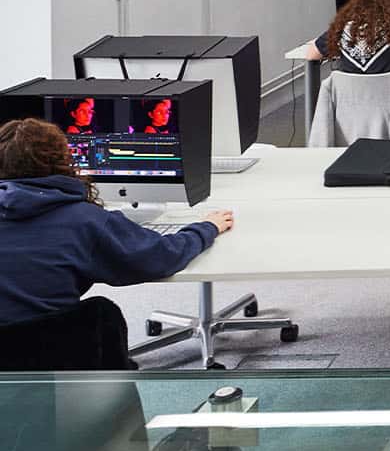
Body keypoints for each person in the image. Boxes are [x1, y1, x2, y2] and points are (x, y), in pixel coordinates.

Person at [0, 119, 232, 326]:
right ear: (63, 161)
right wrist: (206, 228)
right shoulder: (85, 221)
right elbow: (160, 257)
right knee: (103, 314)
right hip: (53, 358)